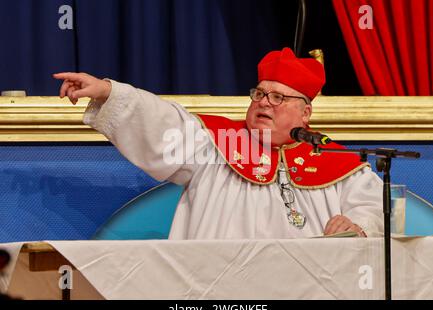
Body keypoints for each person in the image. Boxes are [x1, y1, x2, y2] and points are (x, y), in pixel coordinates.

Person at [53, 47, 383, 239]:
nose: (264, 102)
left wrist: (357, 227)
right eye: (259, 93)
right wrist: (109, 92)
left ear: (305, 112)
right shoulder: (214, 142)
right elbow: (160, 122)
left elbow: (375, 212)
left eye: (278, 97)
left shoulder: (340, 164)